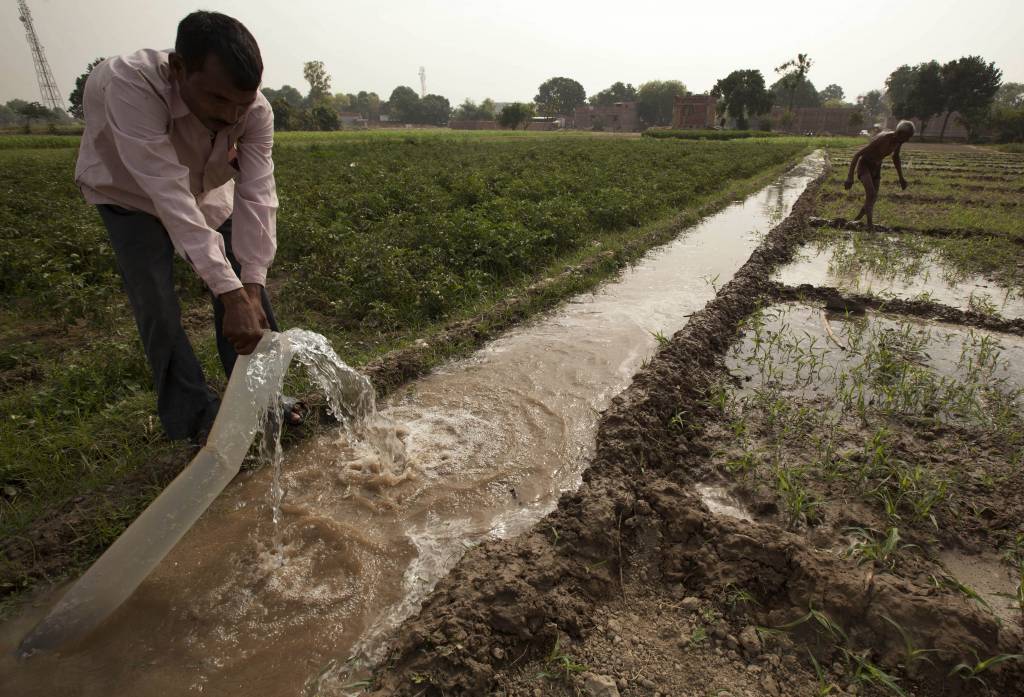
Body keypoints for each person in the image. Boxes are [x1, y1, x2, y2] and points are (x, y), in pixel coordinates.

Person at [75, 11, 302, 444]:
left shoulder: (253, 111)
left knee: (249, 292)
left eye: (242, 102)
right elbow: (168, 195)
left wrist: (248, 287)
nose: (232, 114)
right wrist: (229, 291)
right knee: (157, 305)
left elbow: (257, 195)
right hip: (129, 195)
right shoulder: (129, 84)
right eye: (218, 100)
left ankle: (265, 398)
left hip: (206, 191)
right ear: (178, 69)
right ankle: (196, 416)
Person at [843, 120, 915, 229]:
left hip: (876, 168)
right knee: (871, 193)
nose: (908, 139)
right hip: (865, 165)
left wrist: (901, 178)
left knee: (873, 197)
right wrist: (850, 177)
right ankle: (870, 226)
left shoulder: (898, 142)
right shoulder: (883, 138)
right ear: (900, 133)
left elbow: (896, 158)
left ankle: (857, 219)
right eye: (907, 136)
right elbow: (857, 154)